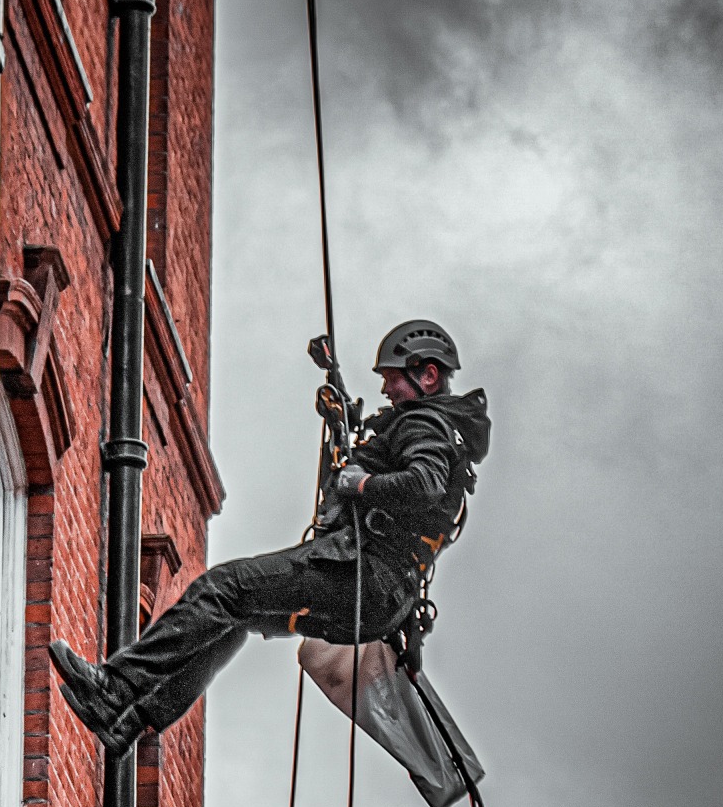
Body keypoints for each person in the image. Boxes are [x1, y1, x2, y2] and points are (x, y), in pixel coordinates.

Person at [51, 320, 491, 757]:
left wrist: (358, 484)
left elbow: (424, 485)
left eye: (393, 378)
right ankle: (134, 721)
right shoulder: (433, 428)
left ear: (428, 374)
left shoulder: (424, 425)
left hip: (362, 575)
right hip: (379, 596)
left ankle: (114, 688)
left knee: (223, 589)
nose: (387, 390)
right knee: (238, 615)